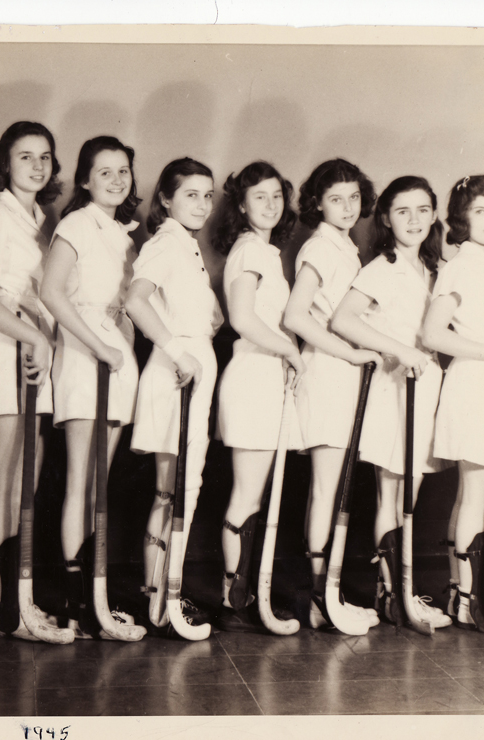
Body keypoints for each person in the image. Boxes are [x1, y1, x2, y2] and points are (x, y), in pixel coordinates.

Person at [331, 175, 451, 629]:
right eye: (403, 211)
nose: (414, 219)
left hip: (427, 388)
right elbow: (343, 319)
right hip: (395, 388)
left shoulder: (433, 269)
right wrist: (400, 350)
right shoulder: (381, 266)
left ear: (434, 214)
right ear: (385, 217)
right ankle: (393, 592)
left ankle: (398, 588)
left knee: (411, 490)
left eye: (423, 209)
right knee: (392, 491)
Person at [40, 136, 141, 638]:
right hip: (85, 359)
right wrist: (99, 347)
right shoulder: (76, 224)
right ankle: (74, 600)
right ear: (85, 180)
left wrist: (120, 335)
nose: (117, 180)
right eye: (105, 172)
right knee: (80, 479)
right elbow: (51, 292)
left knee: (102, 482)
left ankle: (98, 598)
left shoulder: (123, 235)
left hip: (118, 360)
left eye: (123, 171)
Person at [0, 121, 62, 640]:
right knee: (7, 481)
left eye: (44, 156)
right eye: (25, 157)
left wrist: (41, 334)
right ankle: (8, 606)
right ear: (4, 162)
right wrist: (30, 333)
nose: (37, 166)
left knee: (31, 479)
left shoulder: (41, 218)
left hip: (37, 352)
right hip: (7, 351)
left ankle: (22, 600)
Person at [124, 157, 224, 630]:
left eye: (208, 195)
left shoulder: (187, 247)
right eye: (191, 194)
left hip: (190, 366)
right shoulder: (165, 242)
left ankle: (163, 595)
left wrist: (210, 316)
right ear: (165, 198)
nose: (202, 204)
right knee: (173, 490)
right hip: (175, 374)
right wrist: (177, 351)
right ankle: (158, 598)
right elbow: (134, 301)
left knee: (181, 487)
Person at [282, 158, 381, 630]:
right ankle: (319, 596)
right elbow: (296, 316)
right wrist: (351, 352)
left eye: (354, 198)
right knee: (325, 489)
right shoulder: (320, 247)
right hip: (326, 372)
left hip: (341, 373)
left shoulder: (344, 246)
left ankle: (326, 593)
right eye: (335, 199)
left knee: (334, 488)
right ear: (317, 203)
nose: (347, 207)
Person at [422, 173, 484, 630]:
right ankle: (466, 599)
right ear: (462, 218)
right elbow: (431, 333)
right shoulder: (461, 265)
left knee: (476, 497)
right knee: (474, 495)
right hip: (475, 387)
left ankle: (465, 596)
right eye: (479, 211)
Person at [212, 162, 305, 631]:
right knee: (247, 494)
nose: (270, 205)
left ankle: (243, 591)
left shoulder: (267, 252)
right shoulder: (250, 250)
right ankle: (236, 598)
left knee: (253, 493)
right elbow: (243, 319)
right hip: (251, 377)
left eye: (276, 196)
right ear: (242, 206)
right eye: (259, 197)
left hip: (266, 378)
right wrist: (290, 348)